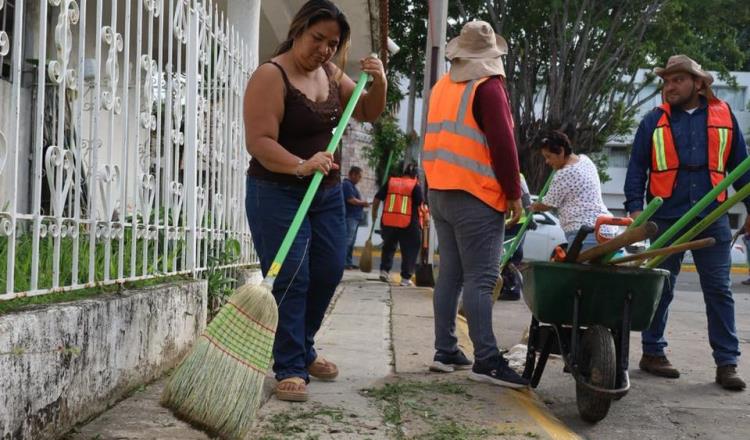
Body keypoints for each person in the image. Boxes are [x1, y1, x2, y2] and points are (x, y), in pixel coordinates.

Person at [242, 0, 386, 402]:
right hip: (276, 192)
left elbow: (368, 113)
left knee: (327, 273)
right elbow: (260, 143)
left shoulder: (330, 72)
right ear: (299, 30)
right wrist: (303, 164)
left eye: (332, 42)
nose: (323, 49)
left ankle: (302, 348)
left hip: (325, 194)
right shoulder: (271, 76)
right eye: (317, 38)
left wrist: (380, 83)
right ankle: (289, 365)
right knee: (293, 276)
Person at [624, 55, 749, 390]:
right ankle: (652, 353)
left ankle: (727, 363)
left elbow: (742, 167)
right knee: (660, 288)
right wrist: (636, 210)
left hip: (713, 216)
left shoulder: (724, 117)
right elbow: (637, 168)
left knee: (719, 290)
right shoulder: (653, 120)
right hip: (666, 218)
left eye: (677, 80)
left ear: (698, 83)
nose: (670, 87)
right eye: (666, 81)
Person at [423, 20, 527, 388]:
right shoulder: (489, 88)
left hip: (440, 192)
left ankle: (445, 349)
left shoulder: (441, 88)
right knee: (481, 280)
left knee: (449, 275)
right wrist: (514, 192)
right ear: (491, 57)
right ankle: (486, 358)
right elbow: (503, 145)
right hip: (476, 194)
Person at [530, 130, 615, 250]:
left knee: (579, 268)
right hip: (605, 228)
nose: (547, 162)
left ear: (561, 151)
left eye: (549, 157)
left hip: (584, 233)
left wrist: (535, 206)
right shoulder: (585, 160)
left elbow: (548, 204)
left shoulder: (564, 173)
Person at [371, 163, 423, 287]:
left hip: (388, 221)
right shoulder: (414, 185)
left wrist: (374, 214)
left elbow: (377, 198)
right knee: (410, 248)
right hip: (408, 223)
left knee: (388, 246)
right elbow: (419, 201)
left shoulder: (391, 182)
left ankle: (384, 271)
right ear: (415, 175)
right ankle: (405, 278)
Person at [498, 173, 534, 301]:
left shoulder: (516, 175)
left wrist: (530, 215)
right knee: (505, 255)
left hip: (517, 222)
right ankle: (505, 286)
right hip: (507, 220)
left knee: (510, 254)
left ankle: (512, 289)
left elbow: (525, 195)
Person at [342, 166, 369, 269]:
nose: (360, 179)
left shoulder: (352, 186)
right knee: (347, 240)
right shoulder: (347, 185)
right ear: (352, 174)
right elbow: (351, 200)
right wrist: (363, 203)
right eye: (359, 176)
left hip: (355, 217)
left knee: (352, 242)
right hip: (350, 217)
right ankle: (343, 262)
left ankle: (348, 262)